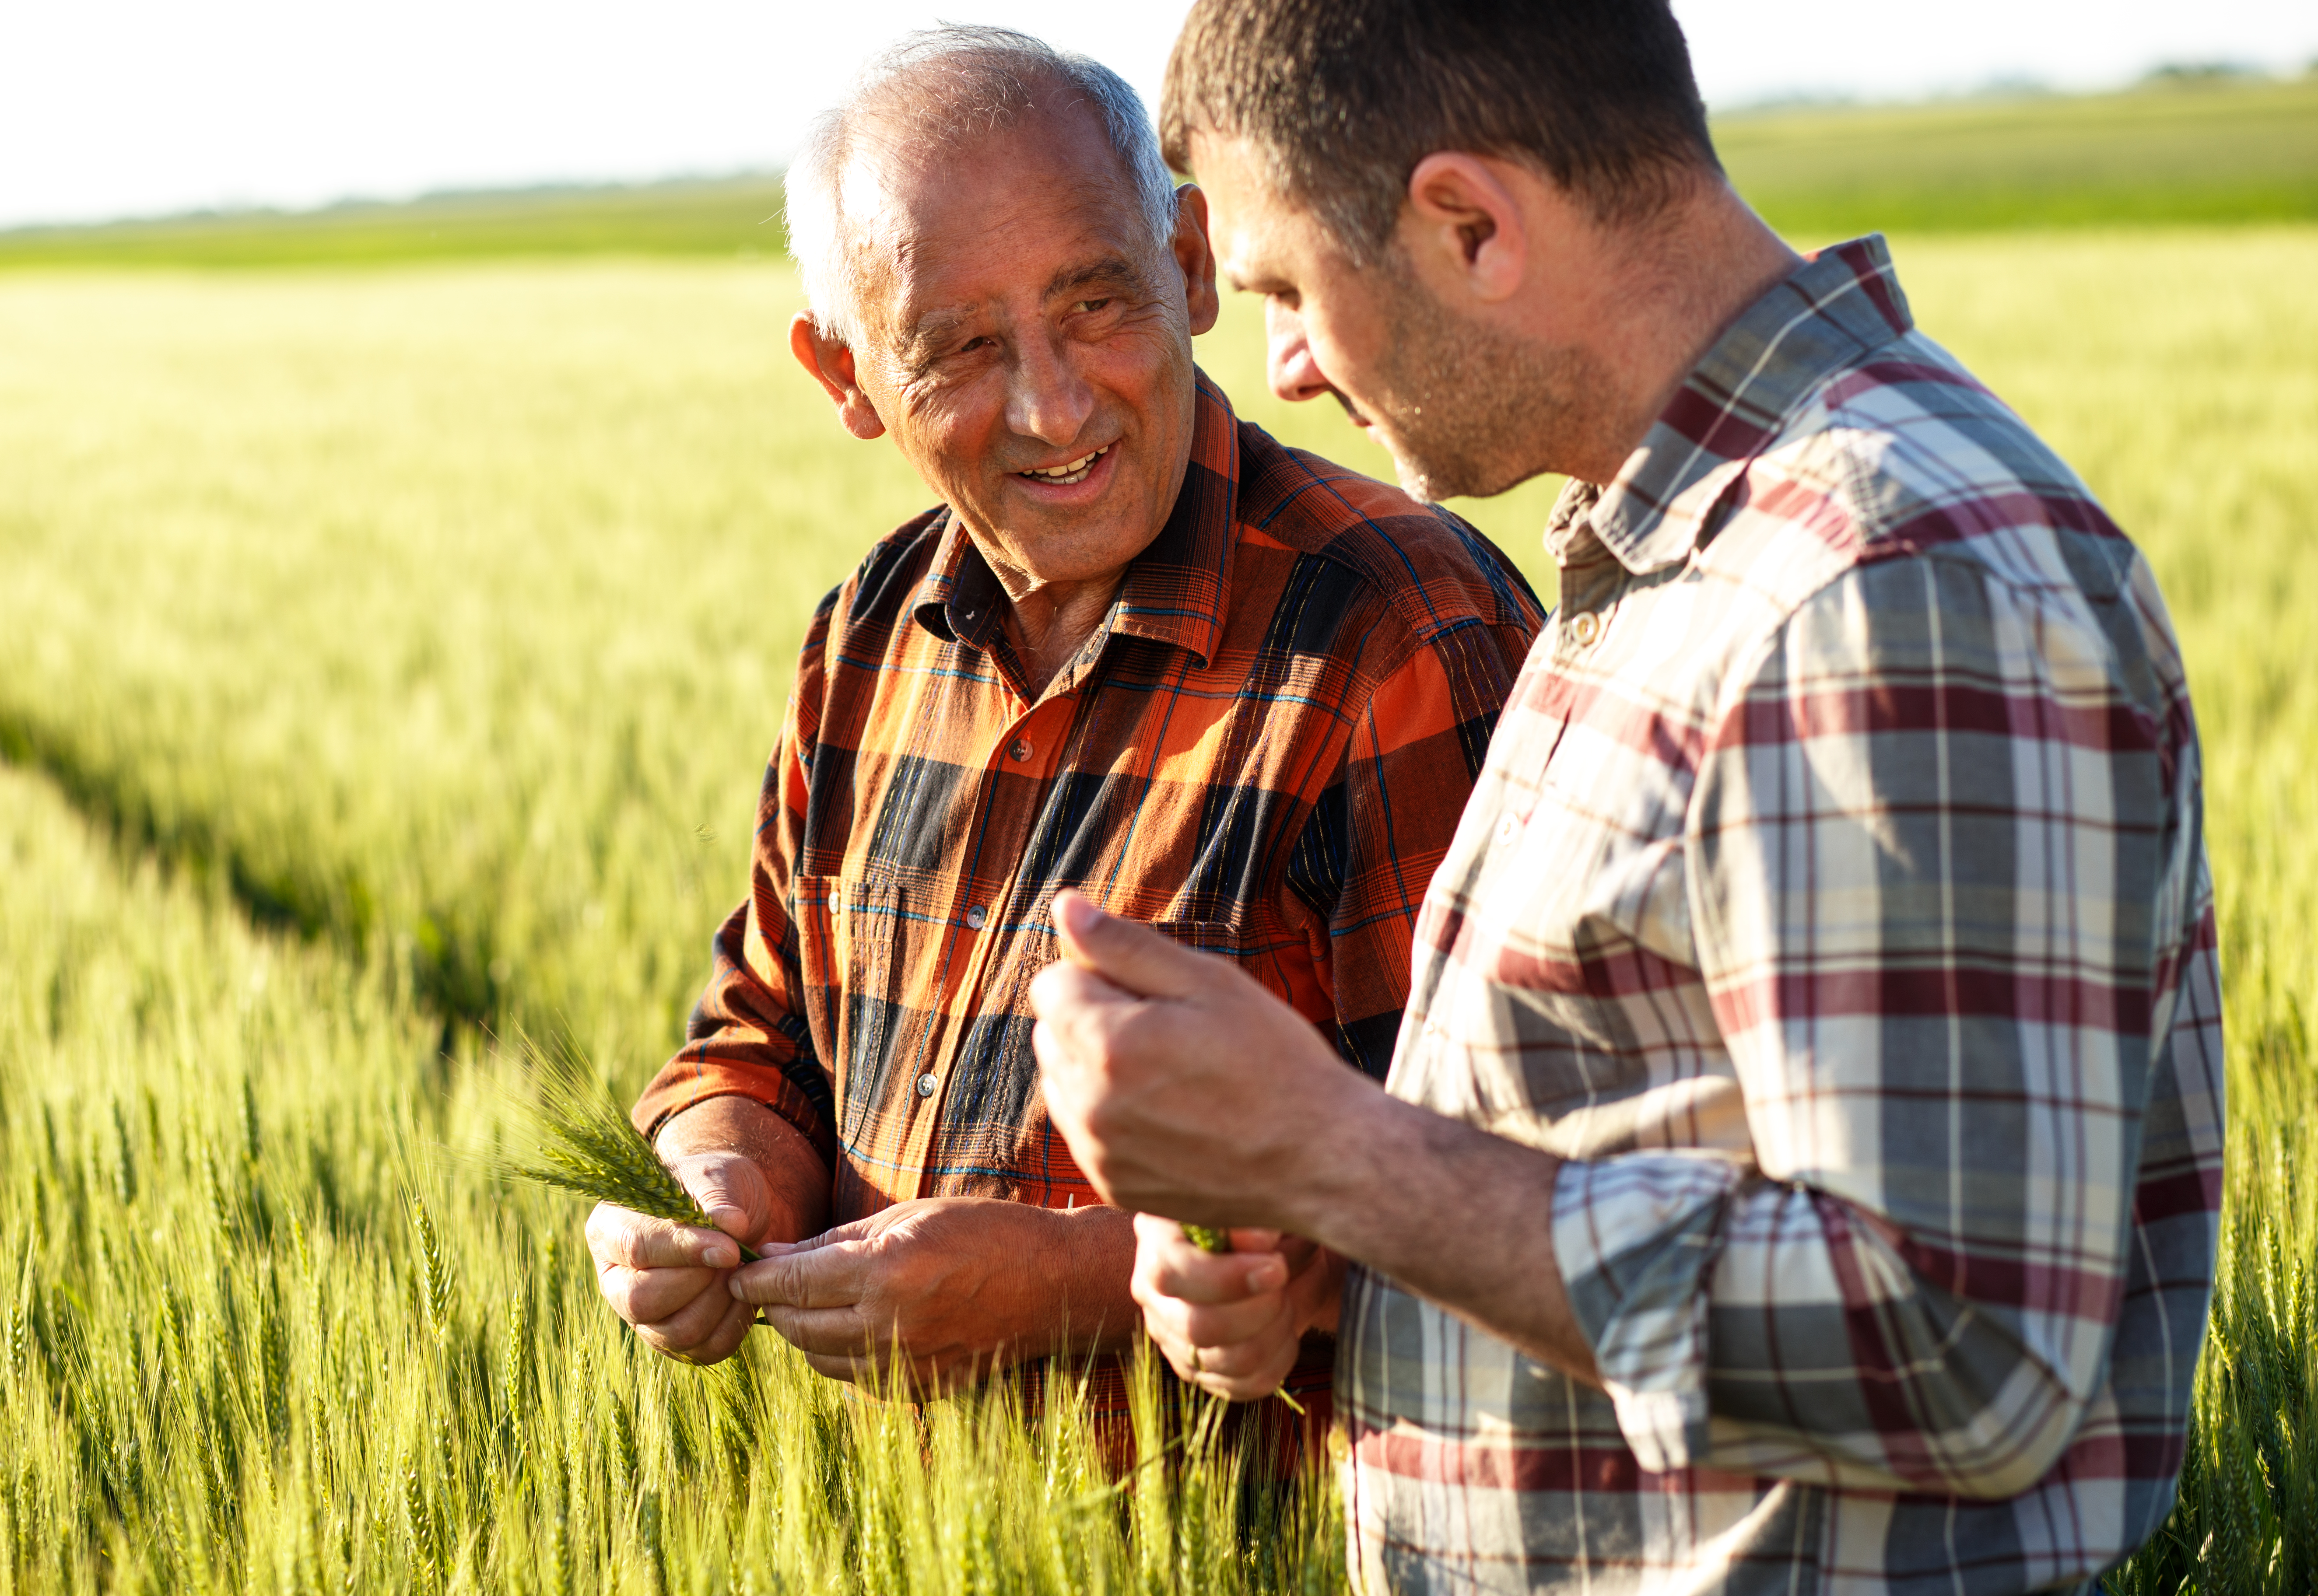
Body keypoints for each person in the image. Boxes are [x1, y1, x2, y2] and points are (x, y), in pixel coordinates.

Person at [1031, 1, 2226, 1589]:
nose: (1287, 371)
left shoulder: (1880, 584)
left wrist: (1338, 1153)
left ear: (1471, 224)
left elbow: (1959, 1346)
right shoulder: (1679, 550)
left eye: (1287, 291)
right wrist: (1352, 1254)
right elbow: (1665, 1132)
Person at [582, 23, 1543, 1431]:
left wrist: (1064, 1284)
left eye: (1097, 304)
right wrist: (717, 1185)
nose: (1054, 404)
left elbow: (1516, 1201)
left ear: (1196, 265)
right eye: (961, 348)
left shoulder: (1397, 635)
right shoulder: (868, 632)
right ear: (843, 376)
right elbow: (762, 1035)